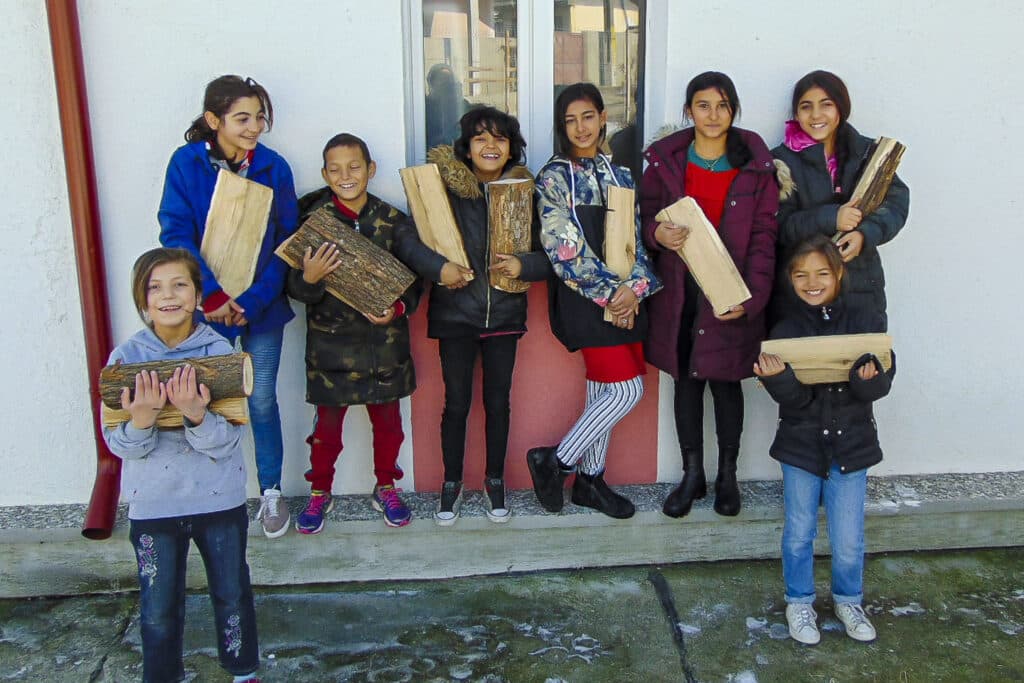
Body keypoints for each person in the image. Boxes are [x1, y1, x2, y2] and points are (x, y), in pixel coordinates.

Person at [103, 248, 259, 683]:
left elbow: (228, 441)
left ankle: (243, 672)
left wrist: (195, 415)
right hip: (154, 505)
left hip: (218, 501)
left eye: (179, 285)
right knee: (158, 607)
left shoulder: (220, 353)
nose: (168, 296)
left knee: (232, 594)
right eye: (155, 287)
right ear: (142, 299)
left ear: (197, 295)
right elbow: (120, 445)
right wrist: (142, 420)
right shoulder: (126, 358)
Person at [395, 106, 550, 525]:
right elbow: (406, 238)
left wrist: (524, 265)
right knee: (457, 403)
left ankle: (495, 479)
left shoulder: (524, 193)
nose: (490, 146)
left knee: (498, 402)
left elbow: (553, 253)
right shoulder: (441, 190)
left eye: (499, 138)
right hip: (455, 317)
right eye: (480, 138)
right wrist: (438, 268)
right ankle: (452, 482)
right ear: (466, 147)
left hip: (504, 316)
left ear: (511, 148)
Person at [159, 75, 298, 538]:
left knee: (261, 400)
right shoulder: (186, 164)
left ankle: (271, 491)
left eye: (259, 117)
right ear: (213, 120)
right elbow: (175, 233)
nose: (254, 126)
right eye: (242, 118)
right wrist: (213, 295)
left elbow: (287, 243)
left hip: (262, 310)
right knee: (205, 400)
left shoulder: (274, 167)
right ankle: (210, 494)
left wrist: (252, 300)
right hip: (206, 312)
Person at [640, 71, 778, 518]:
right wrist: (657, 234)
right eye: (703, 105)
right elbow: (644, 218)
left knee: (726, 382)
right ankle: (692, 474)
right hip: (680, 292)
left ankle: (727, 477)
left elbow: (764, 235)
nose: (713, 115)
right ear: (689, 111)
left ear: (733, 110)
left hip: (731, 291)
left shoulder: (754, 165)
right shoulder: (667, 161)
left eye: (722, 106)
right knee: (686, 381)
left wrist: (751, 299)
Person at [754, 235, 895, 646]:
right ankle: (799, 601)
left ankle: (849, 601)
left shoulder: (865, 320)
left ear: (838, 274)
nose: (811, 283)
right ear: (790, 279)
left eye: (821, 273)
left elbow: (880, 384)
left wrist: (866, 380)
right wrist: (779, 378)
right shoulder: (786, 330)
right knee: (799, 533)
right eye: (801, 275)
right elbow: (794, 401)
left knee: (848, 538)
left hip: (852, 446)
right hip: (800, 446)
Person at [527, 82, 660, 519]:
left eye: (588, 116)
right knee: (626, 390)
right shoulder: (552, 178)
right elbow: (563, 249)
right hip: (585, 301)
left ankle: (590, 481)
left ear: (603, 118)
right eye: (570, 120)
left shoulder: (621, 176)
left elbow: (637, 244)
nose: (580, 127)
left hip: (626, 298)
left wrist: (635, 288)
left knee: (603, 390)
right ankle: (555, 460)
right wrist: (611, 294)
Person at [288, 133, 421, 533]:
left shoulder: (393, 221)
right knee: (326, 432)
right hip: (330, 350)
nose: (345, 175)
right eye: (335, 169)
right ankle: (319, 492)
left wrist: (397, 309)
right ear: (324, 174)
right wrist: (309, 278)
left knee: (389, 427)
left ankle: (387, 486)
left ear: (370, 169)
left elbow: (415, 282)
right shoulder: (313, 221)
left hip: (385, 348)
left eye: (354, 166)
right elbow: (293, 288)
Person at [772, 69, 909, 328]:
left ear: (841, 108)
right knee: (801, 353)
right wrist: (832, 218)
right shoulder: (780, 162)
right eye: (806, 106)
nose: (816, 115)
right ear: (796, 113)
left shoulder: (868, 153)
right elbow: (778, 224)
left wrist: (864, 235)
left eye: (826, 104)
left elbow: (896, 203)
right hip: (802, 291)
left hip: (860, 285)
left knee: (864, 353)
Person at [424, 63, 470, 151]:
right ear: (431, 84)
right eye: (442, 82)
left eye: (449, 82)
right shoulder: (424, 107)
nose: (446, 86)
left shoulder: (461, 106)